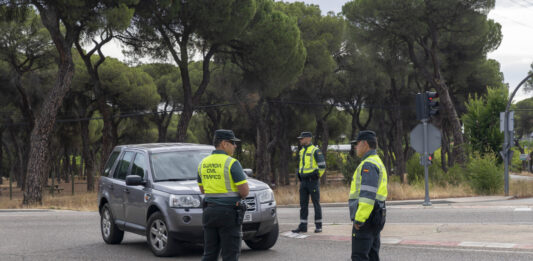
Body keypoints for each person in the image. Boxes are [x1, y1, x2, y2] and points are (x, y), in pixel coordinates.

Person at [198, 129, 250, 261]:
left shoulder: (202, 163)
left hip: (209, 212)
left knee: (209, 254)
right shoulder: (232, 163)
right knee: (230, 255)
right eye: (233, 142)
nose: (235, 146)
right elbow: (244, 192)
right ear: (224, 144)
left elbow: (203, 190)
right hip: (228, 214)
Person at [349, 130, 388, 261]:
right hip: (376, 216)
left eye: (357, 143)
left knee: (359, 256)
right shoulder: (377, 161)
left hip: (366, 218)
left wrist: (359, 219)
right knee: (372, 255)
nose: (355, 146)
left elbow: (367, 196)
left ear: (365, 144)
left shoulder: (368, 164)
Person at [292, 131, 326, 233]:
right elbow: (302, 165)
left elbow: (322, 166)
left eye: (302, 138)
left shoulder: (315, 150)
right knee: (303, 205)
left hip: (312, 182)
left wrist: (317, 176)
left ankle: (318, 226)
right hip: (303, 182)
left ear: (308, 138)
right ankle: (303, 226)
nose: (300, 140)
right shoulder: (302, 151)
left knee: (316, 204)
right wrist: (299, 174)